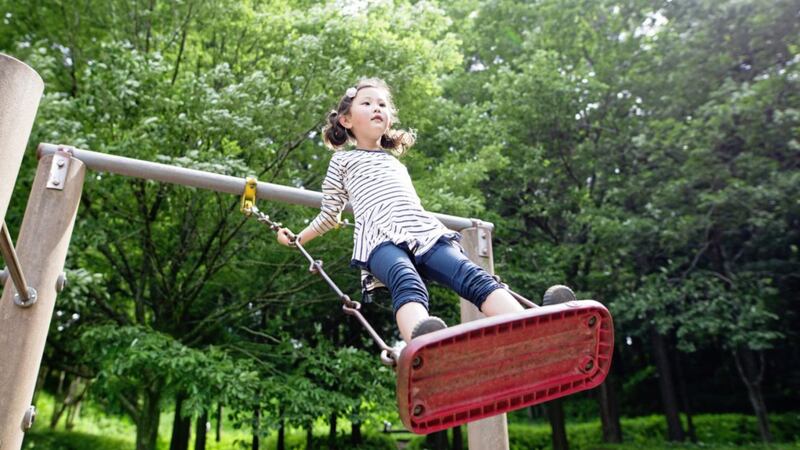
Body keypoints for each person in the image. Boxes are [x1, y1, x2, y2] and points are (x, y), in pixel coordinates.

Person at [277, 78, 525, 343]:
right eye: (367, 103)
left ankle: (525, 323)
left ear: (389, 121)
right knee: (406, 281)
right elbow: (329, 216)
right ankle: (425, 343)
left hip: (422, 231)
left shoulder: (395, 164)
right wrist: (298, 239)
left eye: (382, 104)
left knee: (469, 273)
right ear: (346, 121)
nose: (377, 108)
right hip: (378, 240)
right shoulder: (342, 160)